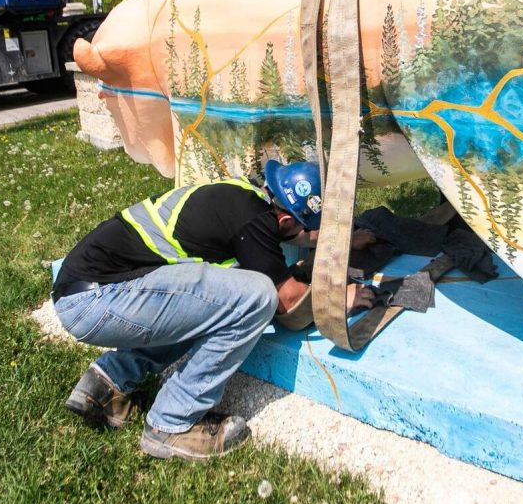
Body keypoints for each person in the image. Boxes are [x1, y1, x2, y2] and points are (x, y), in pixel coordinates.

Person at [53, 160, 374, 461]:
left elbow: (283, 234)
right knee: (257, 297)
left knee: (214, 300)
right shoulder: (254, 221)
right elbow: (288, 303)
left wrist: (336, 241)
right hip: (97, 303)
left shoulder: (243, 198)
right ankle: (171, 422)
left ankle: (108, 382)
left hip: (85, 294)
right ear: (287, 220)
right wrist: (340, 296)